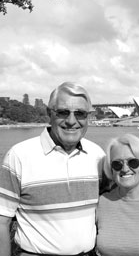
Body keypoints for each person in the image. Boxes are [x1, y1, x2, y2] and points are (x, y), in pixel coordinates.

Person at [0, 82, 105, 256]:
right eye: (63, 112)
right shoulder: (19, 156)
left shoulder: (97, 155)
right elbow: (2, 221)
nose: (71, 121)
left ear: (88, 117)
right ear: (50, 114)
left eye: (80, 114)